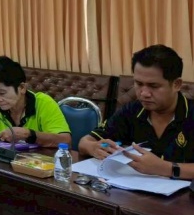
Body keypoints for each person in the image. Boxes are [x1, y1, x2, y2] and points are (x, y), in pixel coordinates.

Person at [79, 45, 194, 178]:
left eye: (153, 86)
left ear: (176, 84)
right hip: (131, 187)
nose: (144, 93)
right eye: (139, 84)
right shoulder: (131, 111)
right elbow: (84, 142)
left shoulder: (190, 113)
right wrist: (93, 147)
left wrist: (167, 168)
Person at [0, 56, 71, 147]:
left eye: (1, 93)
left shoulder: (44, 103)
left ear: (22, 88)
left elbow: (65, 141)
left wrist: (29, 134)